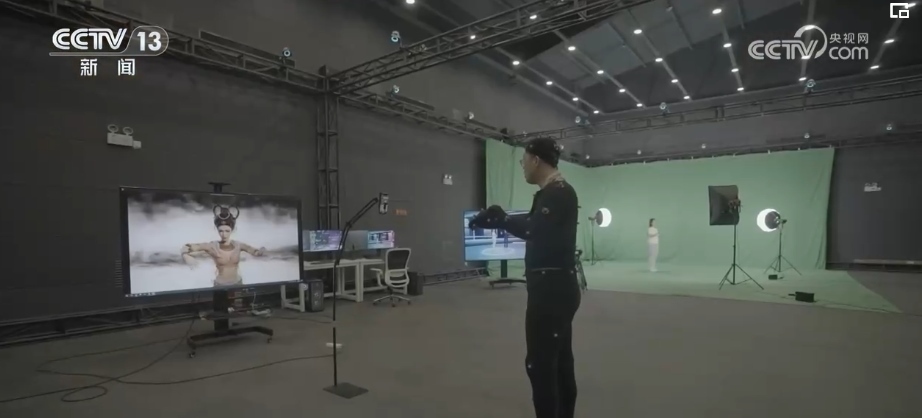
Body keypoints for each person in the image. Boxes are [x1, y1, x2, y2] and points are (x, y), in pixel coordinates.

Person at [469, 137, 581, 418]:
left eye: (524, 160)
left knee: (540, 366)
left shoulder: (558, 193)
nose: (522, 166)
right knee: (559, 361)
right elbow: (536, 227)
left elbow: (534, 229)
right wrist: (501, 220)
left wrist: (502, 219)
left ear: (535, 160)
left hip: (551, 292)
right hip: (554, 289)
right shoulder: (553, 192)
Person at [181, 205, 267, 286]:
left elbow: (255, 252)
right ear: (217, 230)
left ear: (232, 230)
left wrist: (262, 251)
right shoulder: (212, 246)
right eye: (221, 231)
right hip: (220, 286)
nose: (224, 234)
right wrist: (186, 256)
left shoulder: (238, 245)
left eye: (227, 231)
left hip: (238, 284)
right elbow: (186, 247)